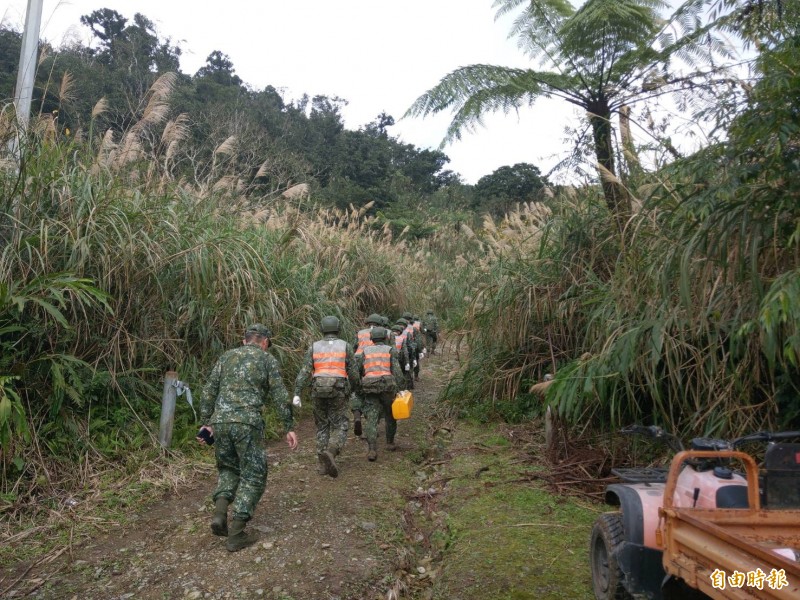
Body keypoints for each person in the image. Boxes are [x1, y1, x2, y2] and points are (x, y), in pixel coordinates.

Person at [198, 323, 298, 552]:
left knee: (228, 468)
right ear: (264, 342)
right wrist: (288, 426)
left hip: (221, 422)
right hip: (247, 423)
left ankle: (220, 513)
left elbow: (208, 391)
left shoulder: (226, 357)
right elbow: (280, 394)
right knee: (254, 475)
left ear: (245, 340)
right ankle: (236, 533)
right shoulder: (267, 360)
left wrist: (206, 422)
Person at [293, 316, 360, 478]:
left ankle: (322, 465)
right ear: (338, 328)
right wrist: (355, 388)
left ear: (322, 329)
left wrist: (297, 392)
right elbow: (352, 372)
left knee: (322, 426)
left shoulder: (314, 347)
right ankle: (331, 451)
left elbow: (305, 371)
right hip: (338, 390)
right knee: (341, 424)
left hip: (318, 390)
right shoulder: (345, 346)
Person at [356, 327, 405, 460]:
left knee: (371, 417)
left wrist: (359, 386)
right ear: (386, 338)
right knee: (390, 415)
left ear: (371, 338)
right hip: (387, 387)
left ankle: (372, 449)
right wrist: (402, 388)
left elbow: (359, 370)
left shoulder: (365, 351)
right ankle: (389, 443)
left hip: (370, 387)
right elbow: (397, 371)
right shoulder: (391, 350)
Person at [394, 319, 414, 390]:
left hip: (392, 359)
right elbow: (406, 350)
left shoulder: (387, 337)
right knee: (405, 373)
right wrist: (408, 362)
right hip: (401, 358)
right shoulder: (403, 337)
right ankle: (406, 388)